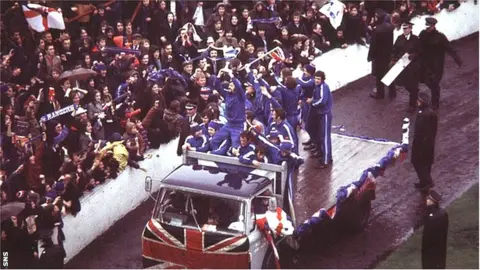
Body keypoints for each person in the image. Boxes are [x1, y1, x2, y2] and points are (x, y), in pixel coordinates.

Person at [418, 17, 462, 109]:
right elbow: (417, 46)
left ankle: (435, 102)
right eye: (426, 26)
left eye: (429, 26)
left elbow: (449, 48)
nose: (427, 28)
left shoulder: (440, 37)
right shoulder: (423, 34)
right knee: (426, 80)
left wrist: (457, 59)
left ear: (433, 26)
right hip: (425, 63)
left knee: (434, 83)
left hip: (436, 64)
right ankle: (434, 92)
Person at [391, 21, 421, 112]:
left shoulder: (415, 39)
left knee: (412, 85)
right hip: (401, 64)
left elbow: (420, 51)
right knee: (404, 84)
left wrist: (413, 55)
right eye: (403, 28)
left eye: (406, 28)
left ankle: (412, 104)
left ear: (410, 28)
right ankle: (415, 95)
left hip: (412, 66)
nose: (404, 30)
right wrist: (393, 58)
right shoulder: (399, 38)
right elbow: (394, 50)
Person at [367, 8, 396, 99]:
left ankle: (380, 93)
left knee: (379, 75)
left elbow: (373, 45)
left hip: (379, 56)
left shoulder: (377, 30)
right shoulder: (390, 28)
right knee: (389, 73)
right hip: (388, 54)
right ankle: (392, 92)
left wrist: (370, 56)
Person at [411, 92, 438, 191]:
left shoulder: (423, 115)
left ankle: (428, 182)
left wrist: (419, 142)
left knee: (417, 162)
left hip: (422, 144)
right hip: (429, 143)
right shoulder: (431, 112)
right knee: (426, 163)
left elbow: (419, 131)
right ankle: (423, 182)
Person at [307, 71, 333, 169]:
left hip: (325, 114)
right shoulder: (317, 87)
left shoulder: (323, 87)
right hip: (320, 114)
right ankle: (325, 155)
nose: (316, 80)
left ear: (322, 79)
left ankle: (326, 161)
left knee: (325, 137)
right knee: (321, 135)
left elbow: (322, 101)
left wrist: (312, 102)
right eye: (316, 78)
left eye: (318, 79)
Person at [422, 190, 449, 269]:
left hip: (431, 248)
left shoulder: (431, 217)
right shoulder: (443, 213)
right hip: (440, 247)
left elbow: (427, 236)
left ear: (432, 201)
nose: (426, 200)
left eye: (428, 199)